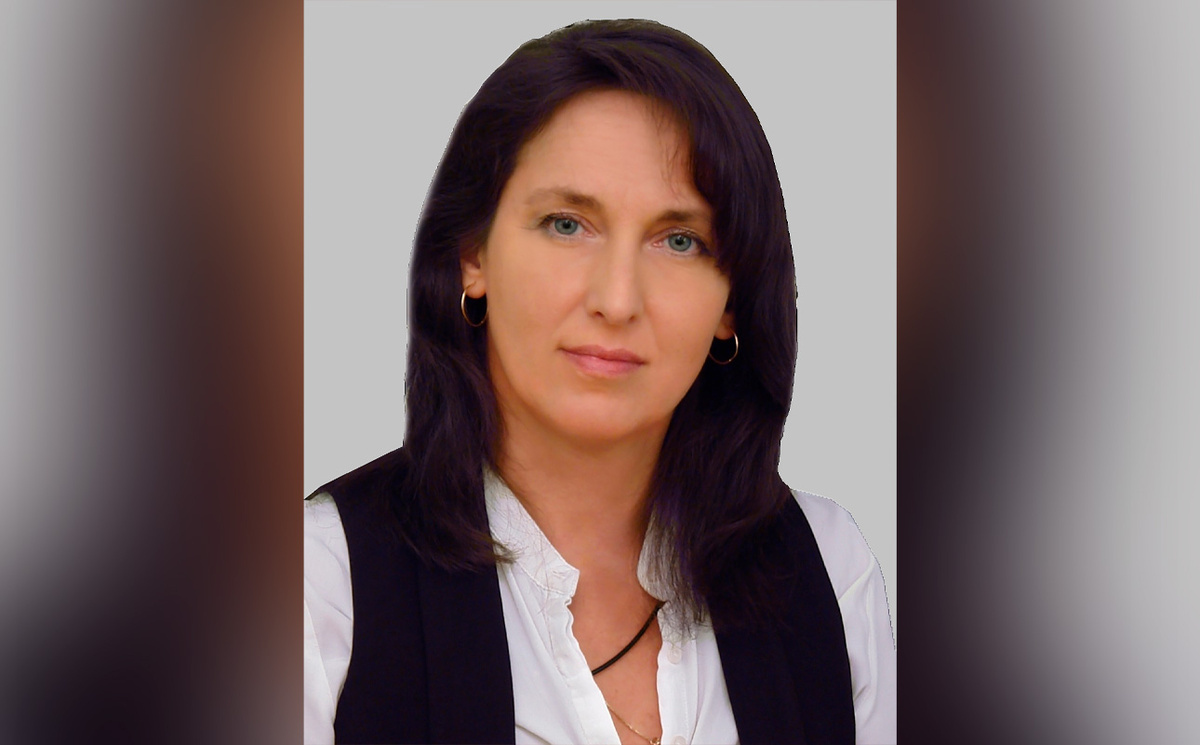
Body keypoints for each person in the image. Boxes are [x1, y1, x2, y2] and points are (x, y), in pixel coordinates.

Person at [305, 18, 895, 745]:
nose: (617, 300)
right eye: (566, 224)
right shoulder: (322, 587)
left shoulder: (829, 572)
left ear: (732, 303)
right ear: (472, 255)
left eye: (679, 240)